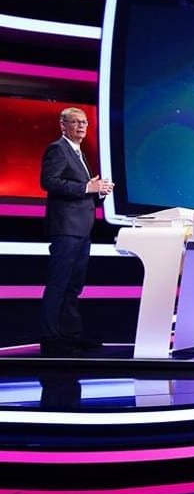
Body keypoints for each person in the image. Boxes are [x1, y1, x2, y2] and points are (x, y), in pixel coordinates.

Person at [39, 107, 112, 356]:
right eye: (75, 122)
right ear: (63, 125)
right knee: (59, 284)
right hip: (65, 228)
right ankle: (51, 339)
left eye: (84, 122)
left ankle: (69, 336)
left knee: (73, 285)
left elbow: (83, 187)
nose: (81, 126)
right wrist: (86, 188)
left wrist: (98, 190)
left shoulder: (78, 153)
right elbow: (49, 182)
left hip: (82, 229)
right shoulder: (58, 149)